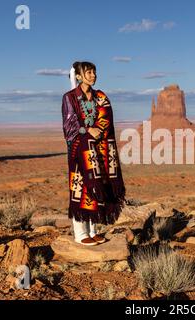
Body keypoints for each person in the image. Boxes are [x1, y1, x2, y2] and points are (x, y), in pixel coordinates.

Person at [61, 61, 126, 246]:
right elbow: (69, 124)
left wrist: (98, 129)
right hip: (79, 151)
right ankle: (80, 233)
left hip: (99, 148)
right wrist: (87, 131)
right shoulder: (69, 98)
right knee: (81, 186)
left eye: (94, 72)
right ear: (79, 76)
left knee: (98, 185)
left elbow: (107, 117)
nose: (93, 75)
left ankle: (93, 230)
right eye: (89, 72)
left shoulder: (100, 96)